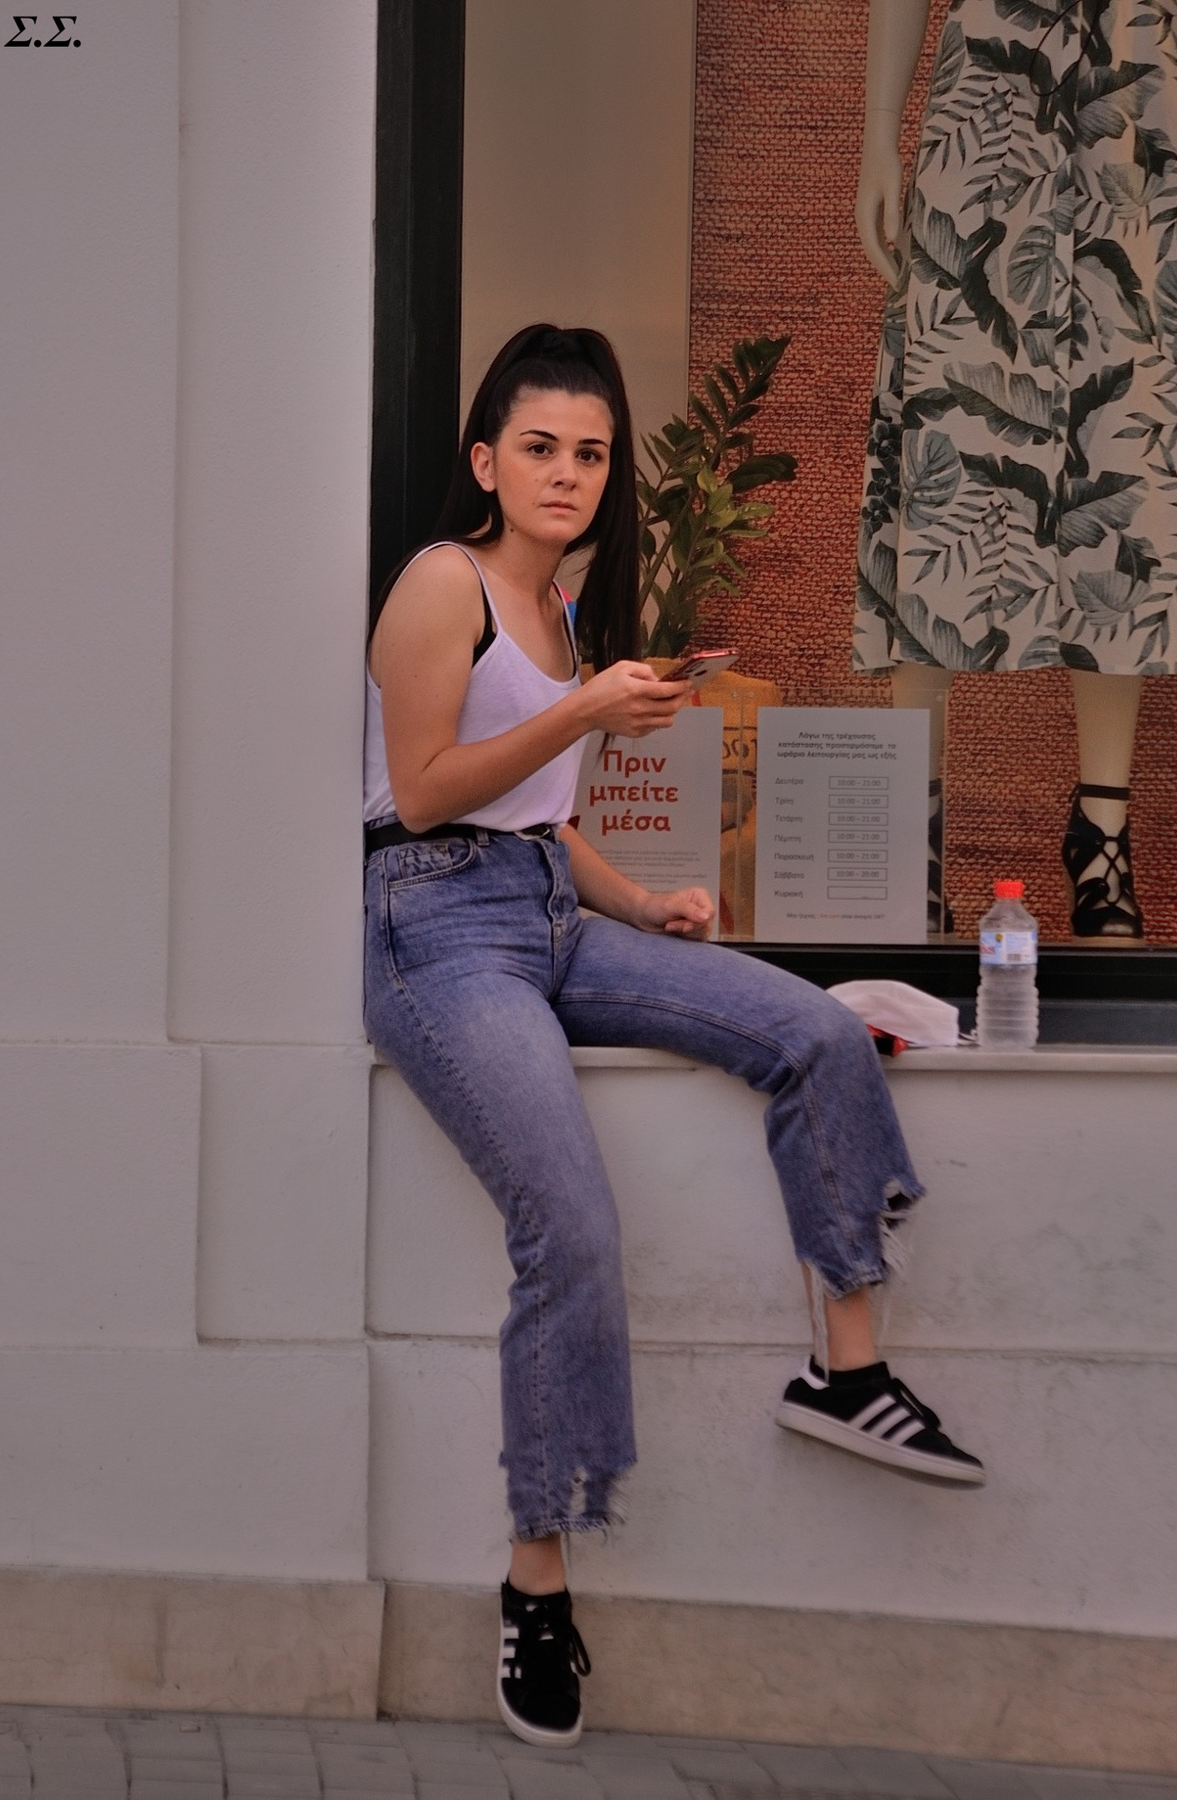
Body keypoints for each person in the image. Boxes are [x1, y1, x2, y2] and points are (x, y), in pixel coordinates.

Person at [363, 323, 984, 1749]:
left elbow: (538, 823)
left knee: (811, 1029)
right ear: (484, 461)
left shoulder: (562, 606)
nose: (567, 474)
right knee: (571, 1226)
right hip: (432, 930)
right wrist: (586, 706)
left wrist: (642, 901)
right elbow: (426, 789)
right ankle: (536, 1579)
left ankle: (844, 1368)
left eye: (590, 453)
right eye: (539, 447)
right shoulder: (441, 583)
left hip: (546, 913)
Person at [854, 0, 1177, 940]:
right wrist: (878, 135)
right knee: (947, 442)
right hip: (988, 103)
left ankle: (1102, 833)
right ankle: (909, 835)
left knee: (1123, 462)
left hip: (1143, 102)